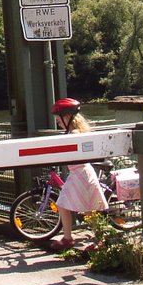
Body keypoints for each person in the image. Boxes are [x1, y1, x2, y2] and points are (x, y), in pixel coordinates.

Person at [48, 97, 108, 251]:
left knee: (73, 206)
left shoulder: (73, 134)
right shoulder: (74, 132)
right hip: (79, 173)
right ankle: (94, 239)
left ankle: (73, 238)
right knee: (86, 207)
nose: (58, 122)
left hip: (80, 173)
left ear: (67, 116)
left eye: (59, 119)